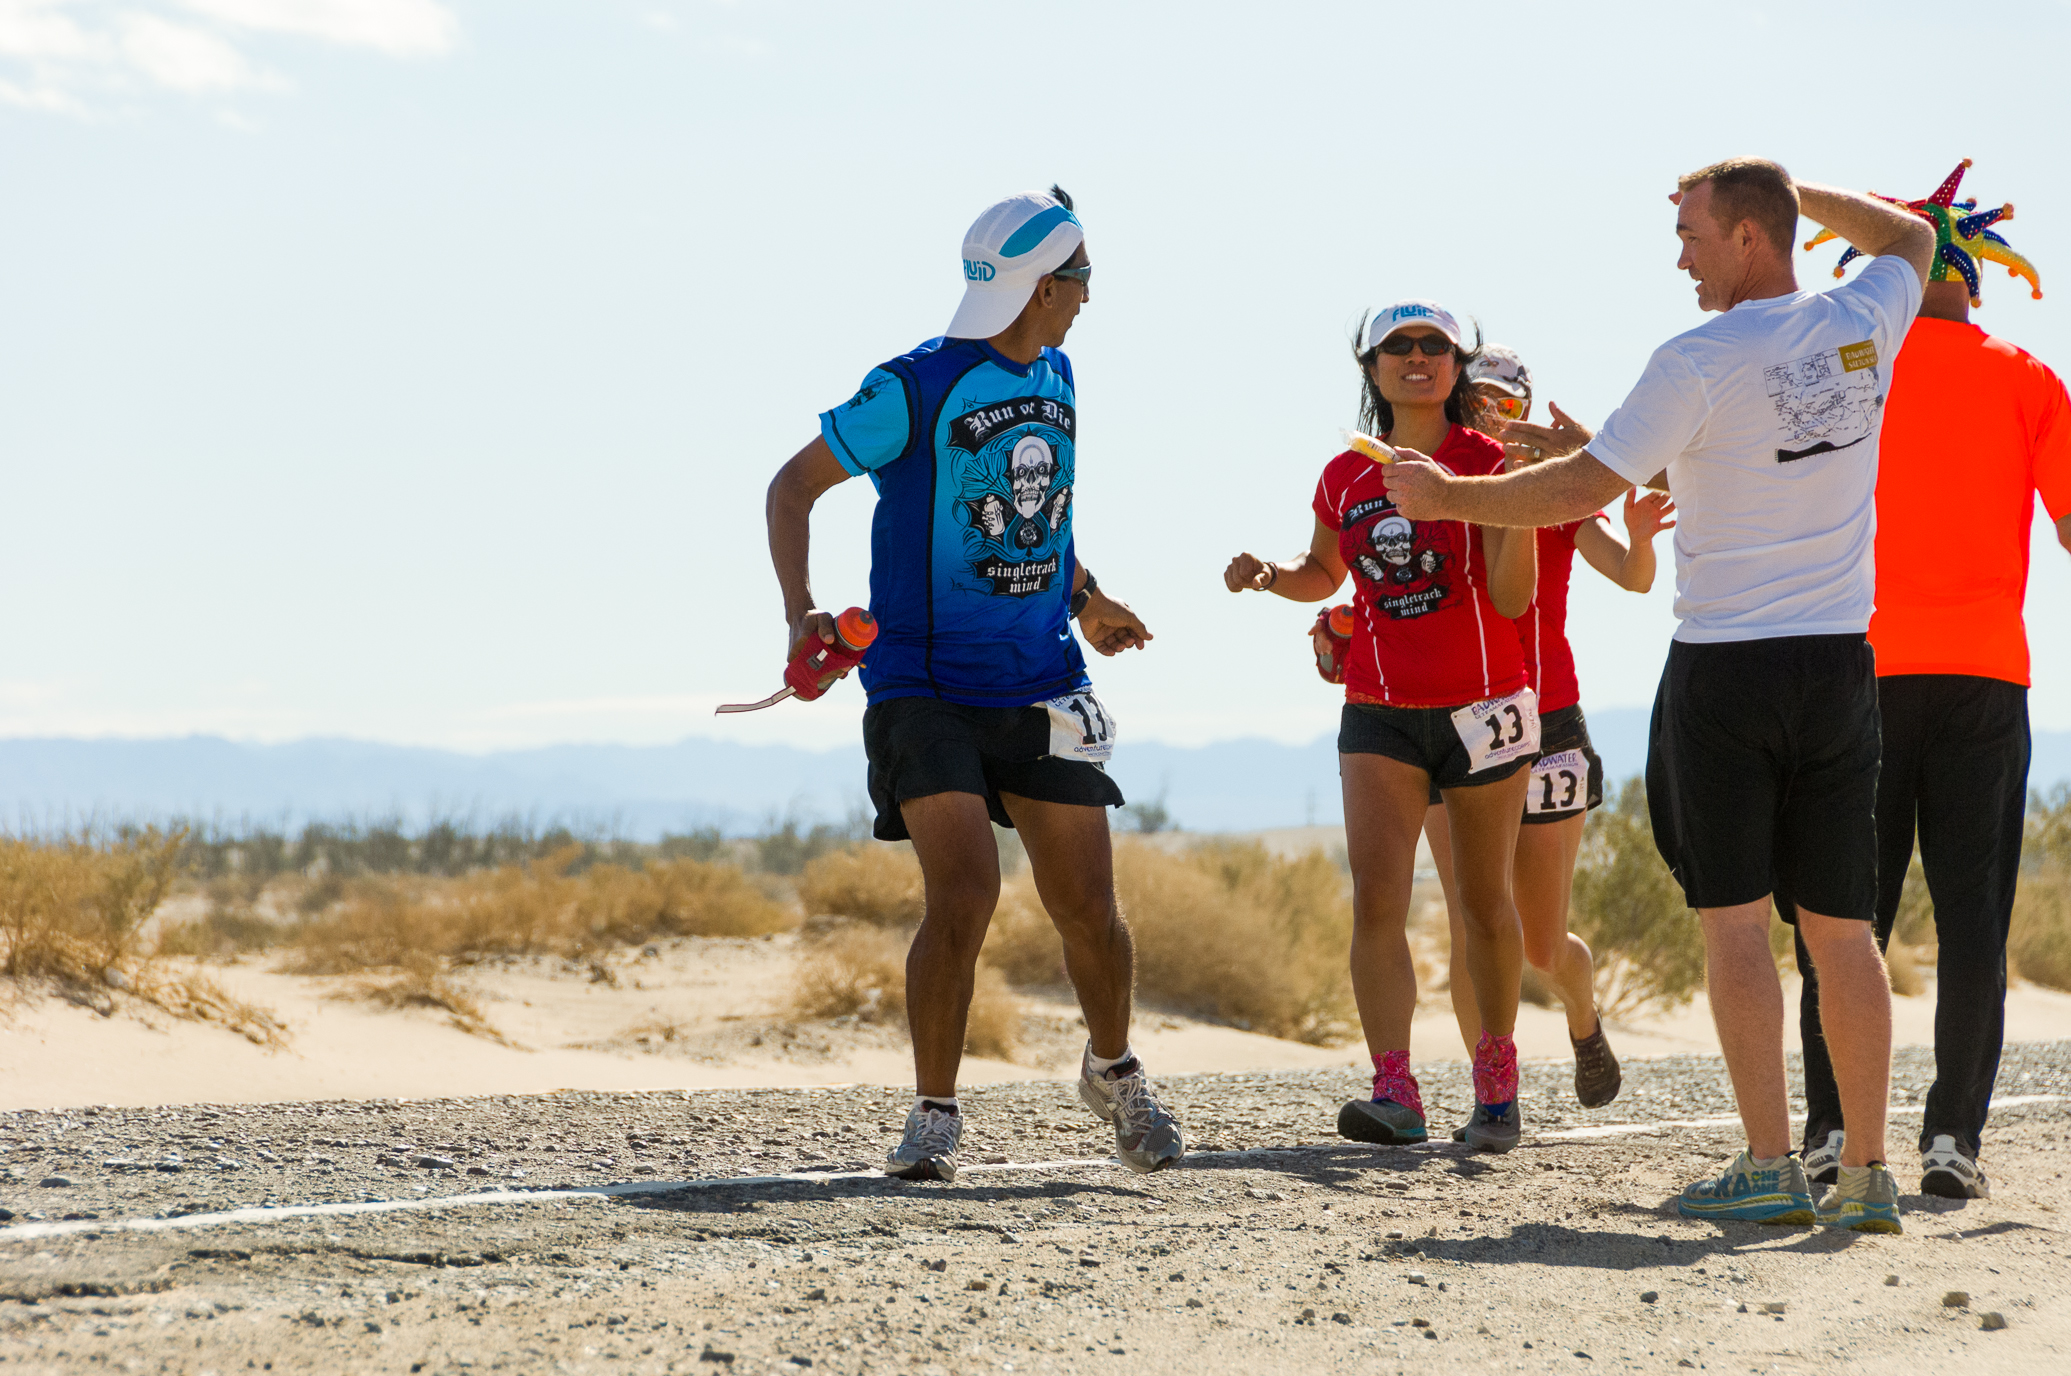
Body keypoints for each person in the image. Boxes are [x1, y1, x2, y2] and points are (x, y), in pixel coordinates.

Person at [1378, 158, 1935, 1233]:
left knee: (1733, 925)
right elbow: (1910, 234)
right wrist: (1791, 186)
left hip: (1727, 666)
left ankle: (1772, 1165)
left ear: (1745, 238)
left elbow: (1587, 488)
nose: (1677, 249)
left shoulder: (1695, 356)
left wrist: (1451, 492)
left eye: (1691, 229)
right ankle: (1867, 1174)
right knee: (1841, 928)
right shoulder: (1865, 316)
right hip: (1837, 664)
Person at [764, 186, 1184, 1183]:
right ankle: (934, 1113)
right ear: (1044, 283)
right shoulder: (907, 388)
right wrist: (799, 612)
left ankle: (1114, 1073)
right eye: (1080, 280)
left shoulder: (1061, 374)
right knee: (965, 887)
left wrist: (1086, 597)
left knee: (1087, 900)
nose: (1087, 298)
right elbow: (791, 485)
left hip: (1042, 675)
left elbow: (1041, 518)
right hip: (921, 680)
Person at [1794, 164, 2068, 1200]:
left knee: (1839, 914)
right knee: (1970, 922)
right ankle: (1951, 1141)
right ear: (1980, 276)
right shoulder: (2028, 377)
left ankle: (1826, 1132)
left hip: (1856, 673)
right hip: (1984, 679)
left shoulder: (1852, 366)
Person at [1224, 300, 1540, 1153]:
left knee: (1482, 905)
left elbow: (1512, 602)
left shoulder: (1490, 459)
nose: (1415, 357)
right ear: (1369, 368)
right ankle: (1394, 1090)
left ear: (1456, 364)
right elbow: (1321, 571)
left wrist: (1511, 504)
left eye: (1432, 345)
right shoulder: (1343, 475)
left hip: (1485, 707)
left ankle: (1496, 1081)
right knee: (1377, 901)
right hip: (1377, 711)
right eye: (1395, 347)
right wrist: (1268, 576)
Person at [1423, 345, 1677, 1134]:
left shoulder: (1560, 495)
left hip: (1551, 720)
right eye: (1480, 400)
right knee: (1471, 918)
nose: (1493, 414)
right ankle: (1491, 1095)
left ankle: (1582, 1014)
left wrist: (1638, 536)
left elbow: (1634, 580)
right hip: (1457, 717)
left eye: (1507, 402)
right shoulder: (1439, 488)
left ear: (1528, 412)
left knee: (1536, 941)